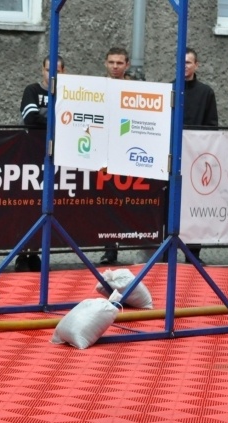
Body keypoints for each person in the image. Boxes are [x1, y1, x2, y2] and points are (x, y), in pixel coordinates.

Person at [16, 55, 65, 272]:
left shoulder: (68, 95)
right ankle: (22, 255)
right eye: (48, 70)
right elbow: (30, 118)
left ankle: (36, 253)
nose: (52, 74)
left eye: (57, 70)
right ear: (42, 70)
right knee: (26, 206)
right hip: (31, 157)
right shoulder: (32, 90)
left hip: (59, 159)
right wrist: (59, 121)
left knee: (51, 206)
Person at [181, 47, 217, 265]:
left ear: (196, 65)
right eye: (182, 62)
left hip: (196, 158)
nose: (185, 66)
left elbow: (212, 125)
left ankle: (192, 253)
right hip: (172, 158)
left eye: (189, 62)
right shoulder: (169, 89)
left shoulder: (206, 92)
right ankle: (166, 252)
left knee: (195, 206)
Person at [98, 47, 130, 266]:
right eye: (111, 62)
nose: (115, 66)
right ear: (105, 64)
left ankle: (143, 246)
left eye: (119, 63)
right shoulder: (98, 89)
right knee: (106, 203)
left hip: (129, 151)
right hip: (103, 151)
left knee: (128, 203)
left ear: (126, 65)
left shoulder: (134, 88)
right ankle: (110, 250)